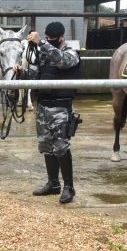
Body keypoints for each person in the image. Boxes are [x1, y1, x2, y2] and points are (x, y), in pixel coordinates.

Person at [17, 21, 81, 204]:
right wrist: (21, 73)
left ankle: (69, 186)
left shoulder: (71, 51)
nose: (49, 41)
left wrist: (42, 44)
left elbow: (63, 61)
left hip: (61, 107)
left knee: (61, 146)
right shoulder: (43, 52)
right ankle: (53, 184)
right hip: (43, 106)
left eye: (52, 39)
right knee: (46, 146)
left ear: (62, 37)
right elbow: (36, 75)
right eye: (47, 38)